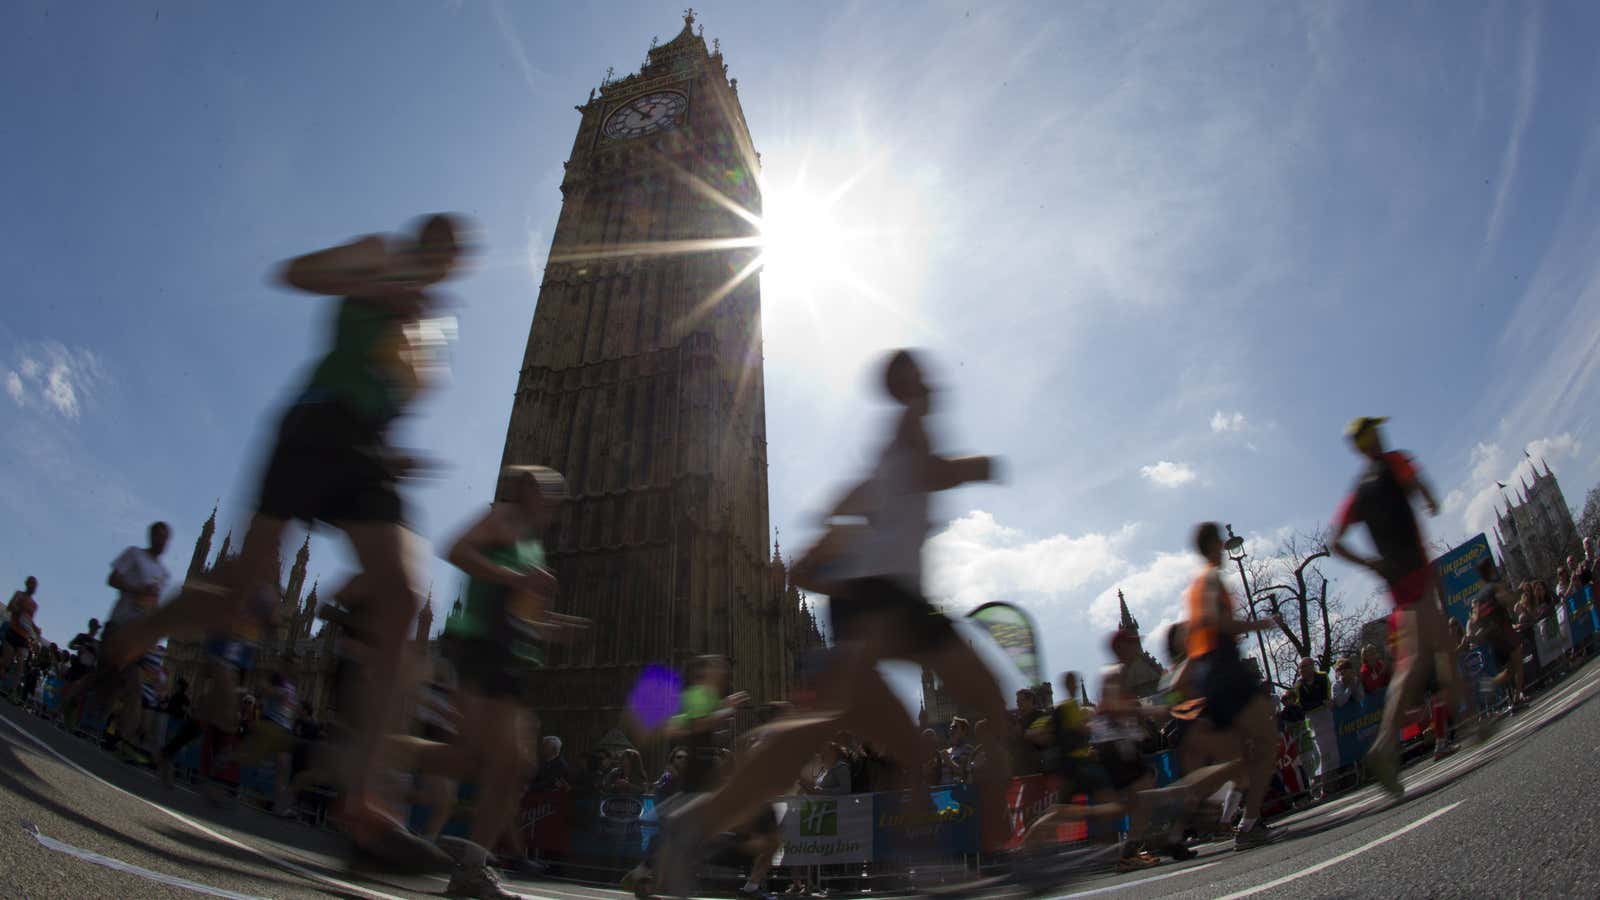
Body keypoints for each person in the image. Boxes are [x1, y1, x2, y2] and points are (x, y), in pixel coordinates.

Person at [102, 216, 469, 872]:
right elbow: (295, 274)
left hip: (367, 457)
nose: (448, 262)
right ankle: (141, 632)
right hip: (315, 427)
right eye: (442, 246)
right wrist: (368, 279)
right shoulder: (378, 254)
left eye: (457, 257)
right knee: (245, 591)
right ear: (425, 241)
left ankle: (366, 804)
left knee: (403, 597)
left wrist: (401, 454)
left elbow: (390, 396)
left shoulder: (433, 327)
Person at [657, 350, 1012, 896]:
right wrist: (981, 466)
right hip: (890, 602)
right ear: (907, 386)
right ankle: (1001, 856)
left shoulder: (888, 453)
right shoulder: (909, 429)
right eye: (919, 378)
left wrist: (834, 547)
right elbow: (921, 473)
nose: (931, 385)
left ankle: (695, 825)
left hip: (873, 604)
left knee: (885, 743)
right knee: (989, 706)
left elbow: (843, 517)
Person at [407, 464, 586, 898]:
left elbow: (521, 609)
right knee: (495, 761)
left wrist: (551, 627)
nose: (555, 504)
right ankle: (367, 759)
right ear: (530, 493)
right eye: (550, 494)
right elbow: (457, 551)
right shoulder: (504, 516)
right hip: (482, 644)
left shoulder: (532, 544)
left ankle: (471, 864)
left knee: (497, 761)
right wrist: (516, 578)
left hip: (509, 654)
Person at [1329, 417, 1477, 797]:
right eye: (1376, 431)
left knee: (1428, 653)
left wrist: (1371, 563)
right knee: (1428, 654)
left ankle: (1471, 719)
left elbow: (1336, 542)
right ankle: (1465, 722)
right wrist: (1429, 498)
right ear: (1371, 439)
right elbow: (1419, 485)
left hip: (1396, 577)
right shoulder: (1394, 462)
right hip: (1415, 568)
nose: (1383, 434)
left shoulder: (1358, 492)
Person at [1183, 521, 1284, 849]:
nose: (1225, 547)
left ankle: (1198, 808)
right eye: (1221, 542)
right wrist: (1258, 623)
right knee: (1268, 741)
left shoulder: (1198, 584)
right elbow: (1216, 621)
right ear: (1213, 545)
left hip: (1209, 673)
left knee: (1242, 757)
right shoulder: (1210, 579)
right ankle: (1248, 822)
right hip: (1224, 666)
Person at [2, 577, 41, 692]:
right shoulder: (19, 595)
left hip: (23, 636)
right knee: (6, 661)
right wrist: (19, 610)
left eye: (35, 585)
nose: (33, 587)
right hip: (13, 631)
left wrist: (35, 628)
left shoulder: (34, 605)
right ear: (27, 584)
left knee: (20, 665)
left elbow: (29, 619)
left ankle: (12, 692)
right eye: (31, 584)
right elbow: (10, 607)